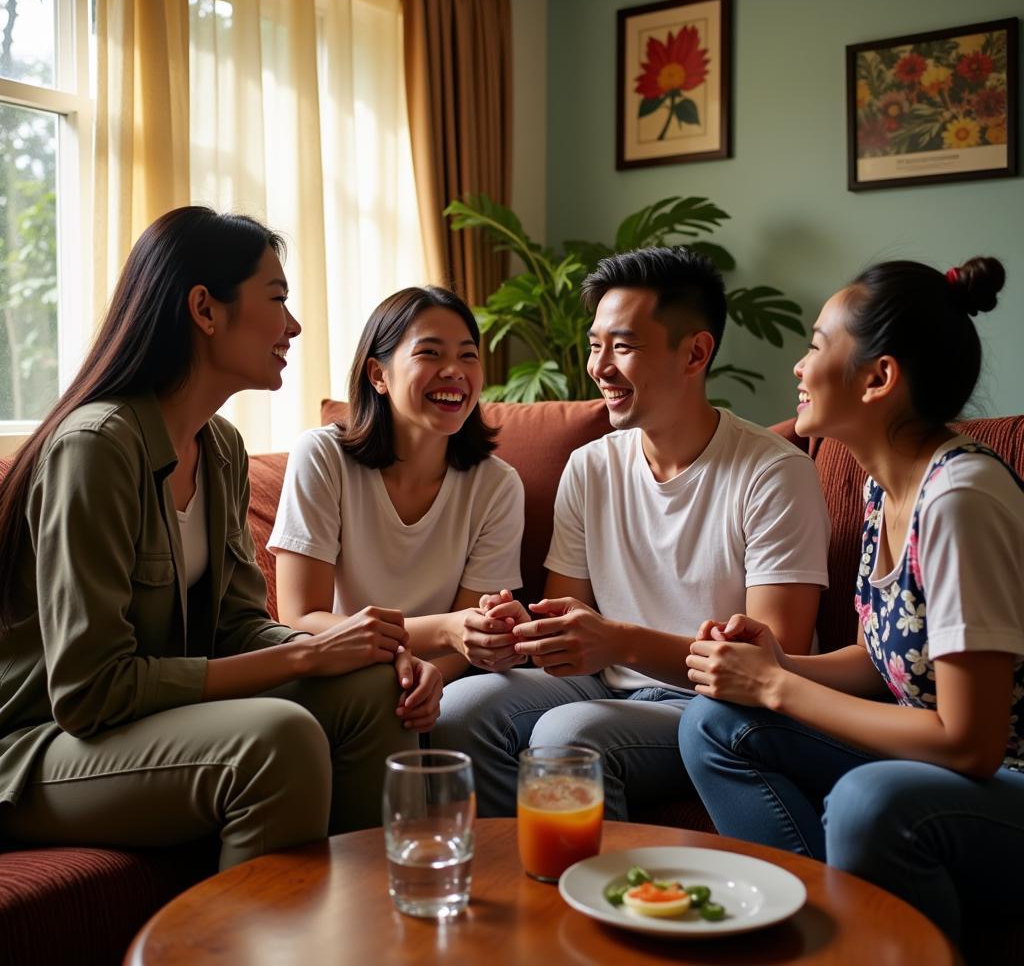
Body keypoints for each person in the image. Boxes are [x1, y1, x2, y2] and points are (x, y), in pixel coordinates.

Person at [0, 206, 424, 872]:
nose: (294, 325)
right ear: (205, 308)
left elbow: (240, 629)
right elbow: (90, 693)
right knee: (275, 739)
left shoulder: (220, 449)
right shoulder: (96, 448)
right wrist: (304, 658)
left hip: (135, 725)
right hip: (38, 749)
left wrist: (351, 647)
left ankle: (368, 935)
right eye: (277, 299)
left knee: (373, 686)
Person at [678, 257, 1024, 943]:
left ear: (878, 378)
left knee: (871, 801)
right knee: (712, 720)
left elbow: (972, 743)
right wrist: (775, 663)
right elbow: (880, 658)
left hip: (1008, 774)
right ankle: (826, 939)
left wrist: (779, 688)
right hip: (948, 767)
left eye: (814, 345)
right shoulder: (884, 487)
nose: (799, 370)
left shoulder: (959, 503)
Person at [432, 247, 830, 819]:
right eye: (595, 345)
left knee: (569, 738)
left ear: (695, 353)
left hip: (714, 706)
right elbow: (568, 615)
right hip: (605, 684)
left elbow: (774, 658)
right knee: (460, 708)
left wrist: (618, 642)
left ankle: (602, 900)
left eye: (622, 346)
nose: (599, 366)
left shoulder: (773, 472)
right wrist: (528, 629)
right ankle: (513, 887)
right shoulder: (591, 466)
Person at [269, 285, 525, 684]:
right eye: (431, 353)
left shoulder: (497, 486)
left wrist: (429, 679)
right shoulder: (322, 456)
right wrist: (437, 638)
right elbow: (300, 618)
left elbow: (468, 637)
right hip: (339, 672)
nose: (454, 370)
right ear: (378, 375)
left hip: (441, 681)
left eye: (467, 355)